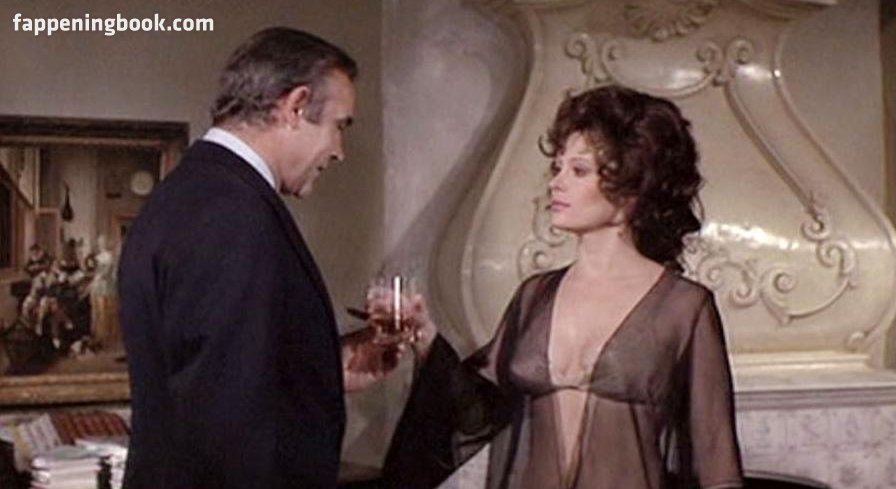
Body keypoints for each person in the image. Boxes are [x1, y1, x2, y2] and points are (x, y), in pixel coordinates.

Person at [381, 85, 743, 489]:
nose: (556, 183)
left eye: (579, 170)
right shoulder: (534, 296)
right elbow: (476, 414)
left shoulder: (684, 307)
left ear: (632, 187)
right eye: (557, 168)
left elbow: (716, 460)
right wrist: (426, 338)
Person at [119, 27, 399, 489]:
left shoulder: (190, 193)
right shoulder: (232, 214)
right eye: (339, 126)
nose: (339, 152)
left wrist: (329, 367)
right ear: (295, 106)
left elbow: (214, 375)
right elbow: (228, 429)